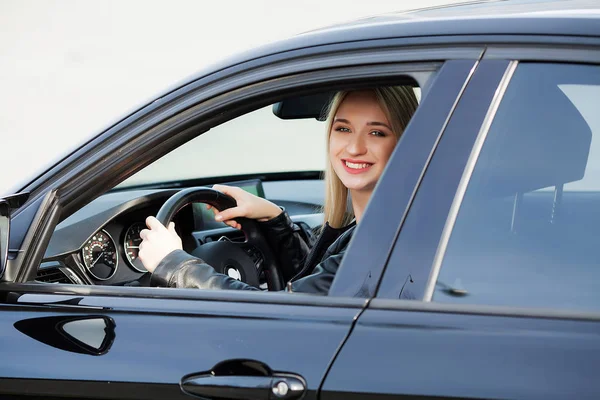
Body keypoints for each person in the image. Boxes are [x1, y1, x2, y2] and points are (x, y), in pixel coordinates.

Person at [138, 86, 418, 295]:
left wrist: (175, 265)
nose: (355, 148)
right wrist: (274, 220)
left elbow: (284, 315)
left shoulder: (382, 244)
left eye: (377, 132)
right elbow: (317, 285)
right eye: (343, 129)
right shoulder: (380, 228)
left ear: (407, 140)